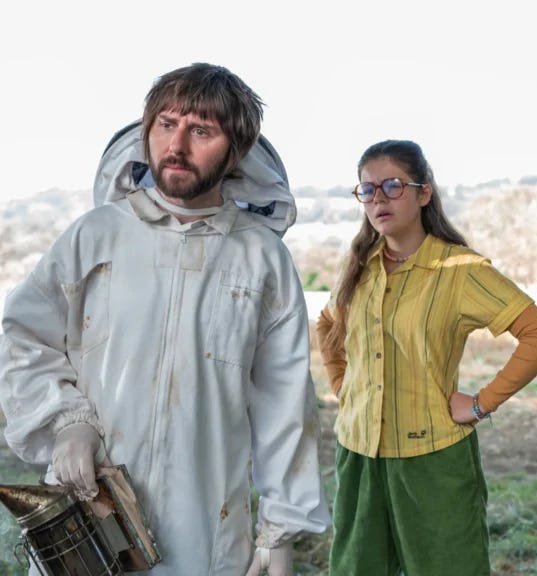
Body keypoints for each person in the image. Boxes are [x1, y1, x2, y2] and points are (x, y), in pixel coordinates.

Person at [0, 63, 329, 575]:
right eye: (166, 124)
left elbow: (284, 403)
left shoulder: (262, 259)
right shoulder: (94, 236)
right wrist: (66, 423)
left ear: (235, 151)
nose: (176, 145)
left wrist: (279, 532)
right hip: (87, 521)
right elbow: (25, 336)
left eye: (201, 131)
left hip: (205, 531)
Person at [316, 139, 537, 575]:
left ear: (423, 193)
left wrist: (482, 402)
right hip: (358, 458)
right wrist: (344, 388)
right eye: (368, 189)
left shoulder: (460, 269)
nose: (379, 199)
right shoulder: (360, 266)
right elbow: (328, 324)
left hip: (432, 460)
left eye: (393, 186)